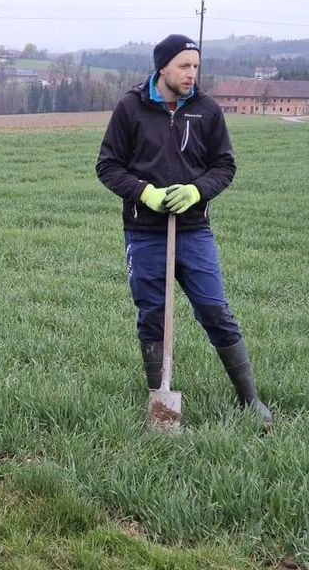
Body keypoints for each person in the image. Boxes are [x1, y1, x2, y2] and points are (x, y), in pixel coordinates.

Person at [95, 33, 271, 425]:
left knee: (215, 309)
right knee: (152, 314)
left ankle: (250, 400)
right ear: (163, 67)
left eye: (196, 66)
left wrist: (196, 190)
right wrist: (145, 194)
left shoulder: (207, 110)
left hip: (193, 232)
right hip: (144, 234)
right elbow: (107, 166)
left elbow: (224, 166)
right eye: (184, 66)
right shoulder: (130, 108)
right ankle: (159, 397)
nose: (192, 74)